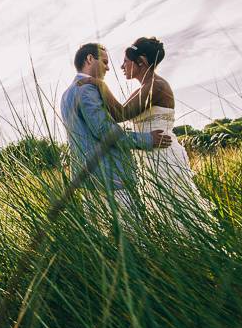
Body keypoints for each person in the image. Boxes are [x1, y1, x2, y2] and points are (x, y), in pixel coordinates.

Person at [75, 37, 210, 215]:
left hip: (163, 154)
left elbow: (123, 113)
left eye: (125, 62)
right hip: (149, 155)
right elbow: (118, 115)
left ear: (141, 62)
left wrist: (100, 85)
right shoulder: (142, 89)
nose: (122, 67)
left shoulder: (157, 86)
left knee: (176, 210)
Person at [60, 42, 171, 212]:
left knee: (104, 236)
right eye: (105, 62)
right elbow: (106, 130)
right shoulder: (87, 88)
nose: (109, 68)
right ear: (90, 59)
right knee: (132, 236)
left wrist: (102, 86)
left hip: (89, 180)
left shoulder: (67, 93)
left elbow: (119, 114)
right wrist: (148, 139)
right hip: (111, 177)